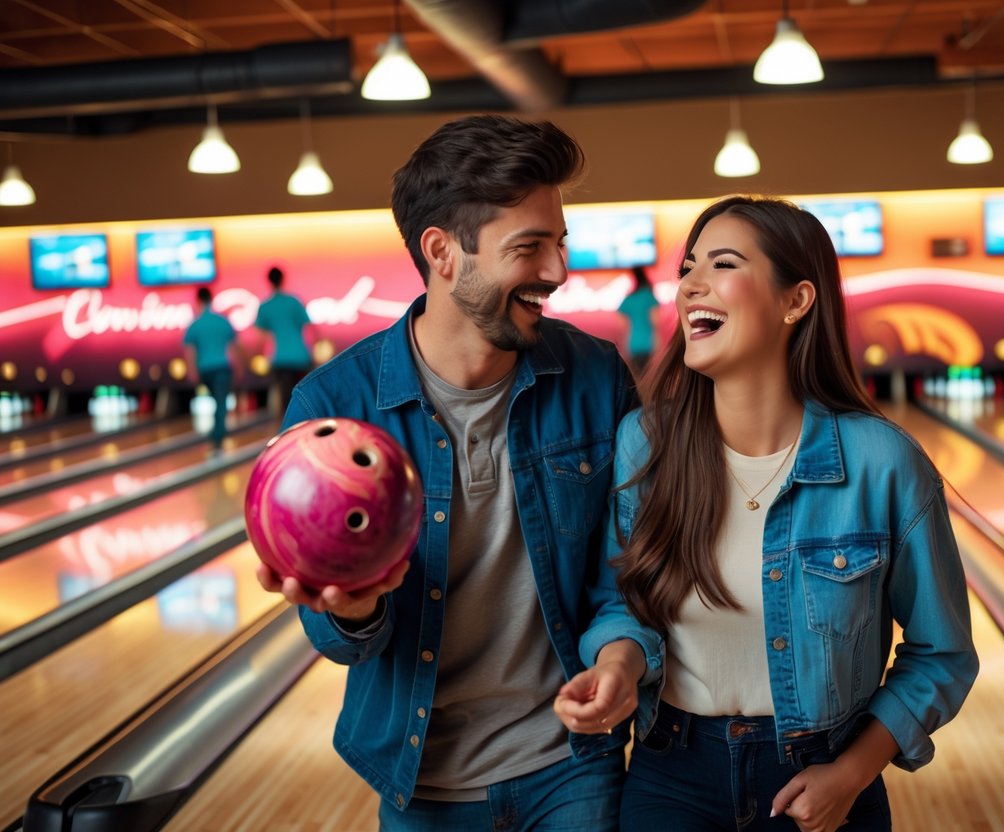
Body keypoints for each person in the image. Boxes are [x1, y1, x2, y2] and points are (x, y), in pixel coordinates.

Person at [254, 114, 662, 831]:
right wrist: (351, 607)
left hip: (570, 763)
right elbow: (335, 635)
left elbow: (625, 570)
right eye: (529, 247)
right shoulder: (335, 406)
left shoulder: (594, 377)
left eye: (559, 243)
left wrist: (622, 661)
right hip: (424, 776)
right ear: (442, 252)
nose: (558, 272)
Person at [607, 197, 979, 831]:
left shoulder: (881, 462)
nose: (691, 283)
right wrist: (617, 663)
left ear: (796, 300)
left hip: (824, 776)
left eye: (722, 264)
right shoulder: (646, 445)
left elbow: (941, 653)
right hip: (671, 772)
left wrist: (853, 773)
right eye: (688, 266)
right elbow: (622, 604)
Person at [182, 286, 241, 452]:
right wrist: (239, 368)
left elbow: (190, 352)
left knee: (217, 401)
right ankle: (218, 436)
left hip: (205, 370)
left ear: (198, 300)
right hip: (222, 368)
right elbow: (235, 347)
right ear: (211, 298)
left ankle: (216, 432)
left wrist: (192, 371)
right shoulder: (222, 321)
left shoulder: (195, 324)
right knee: (220, 402)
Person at [254, 265, 313, 415]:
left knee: (286, 402)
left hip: (280, 358)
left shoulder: (265, 306)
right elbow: (310, 330)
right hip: (300, 356)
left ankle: (288, 431)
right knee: (305, 398)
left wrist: (259, 356)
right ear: (283, 279)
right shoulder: (294, 301)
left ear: (269, 281)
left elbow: (261, 338)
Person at [616, 265, 661, 375]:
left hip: (633, 343)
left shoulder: (630, 298)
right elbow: (655, 321)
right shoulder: (649, 296)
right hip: (647, 342)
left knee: (636, 377)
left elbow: (622, 323)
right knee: (647, 377)